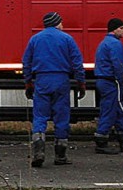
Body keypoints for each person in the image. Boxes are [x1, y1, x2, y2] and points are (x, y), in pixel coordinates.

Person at [23, 12, 87, 167]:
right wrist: (81, 83)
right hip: (61, 80)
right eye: (61, 22)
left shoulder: (35, 39)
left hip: (42, 80)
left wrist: (28, 83)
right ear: (57, 23)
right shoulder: (67, 39)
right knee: (62, 116)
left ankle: (38, 151)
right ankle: (60, 155)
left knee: (39, 116)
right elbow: (77, 62)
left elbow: (27, 62)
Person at [93, 18, 123, 154]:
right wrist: (122, 79)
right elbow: (118, 65)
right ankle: (103, 140)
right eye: (122, 28)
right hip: (112, 81)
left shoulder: (105, 43)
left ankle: (121, 141)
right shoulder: (115, 44)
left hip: (105, 80)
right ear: (115, 29)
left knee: (115, 109)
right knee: (112, 110)